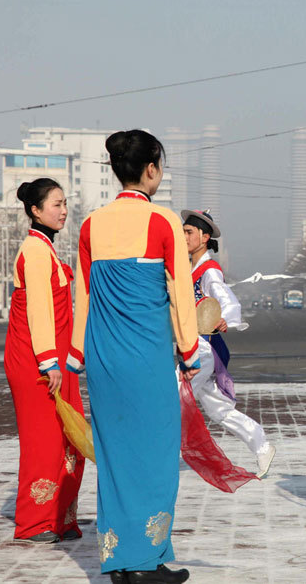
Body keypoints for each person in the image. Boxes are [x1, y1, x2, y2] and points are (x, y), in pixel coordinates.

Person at [68, 130, 198, 584]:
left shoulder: (90, 225)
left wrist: (75, 353)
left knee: (115, 456)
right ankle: (145, 562)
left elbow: (81, 294)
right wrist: (190, 347)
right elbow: (181, 292)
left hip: (103, 358)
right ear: (150, 170)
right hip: (146, 357)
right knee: (157, 454)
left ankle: (125, 560)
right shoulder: (162, 222)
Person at [3, 178, 85, 543]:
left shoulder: (46, 248)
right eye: (55, 204)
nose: (63, 210)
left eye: (64, 203)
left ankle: (60, 517)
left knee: (69, 439)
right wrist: (49, 362)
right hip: (36, 363)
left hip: (55, 362)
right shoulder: (35, 251)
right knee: (44, 443)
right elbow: (38, 309)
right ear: (35, 211)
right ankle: (35, 523)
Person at [181, 208, 276, 478]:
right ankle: (261, 444)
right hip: (195, 346)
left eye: (189, 232)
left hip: (202, 349)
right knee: (218, 409)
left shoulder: (209, 271)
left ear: (204, 236)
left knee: (173, 397)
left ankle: (156, 455)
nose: (184, 236)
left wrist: (225, 318)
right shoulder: (192, 269)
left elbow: (227, 300)